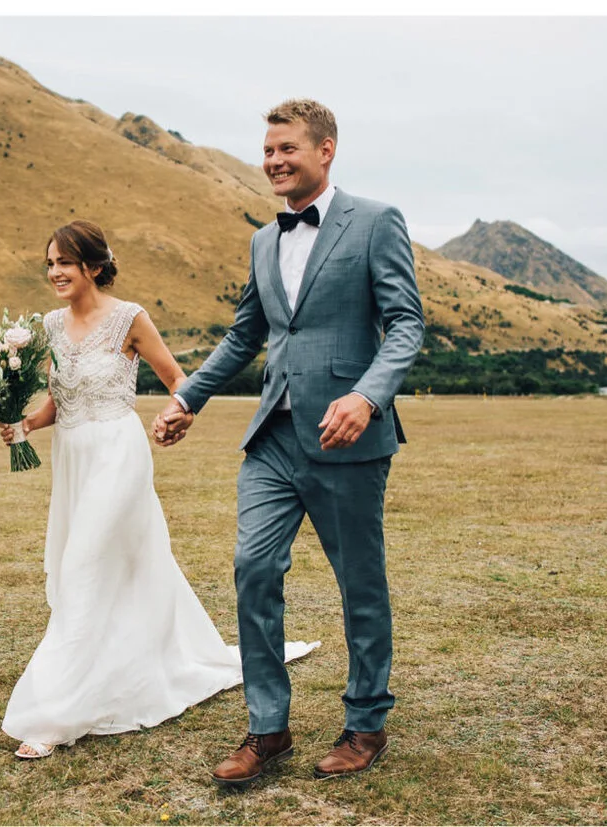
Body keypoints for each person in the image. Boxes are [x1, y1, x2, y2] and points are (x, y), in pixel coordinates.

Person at [153, 98, 422, 786]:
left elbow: (405, 324)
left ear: (325, 149)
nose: (273, 161)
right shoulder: (262, 239)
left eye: (287, 149)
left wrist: (367, 395)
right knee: (252, 566)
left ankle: (366, 722)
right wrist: (189, 396)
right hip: (273, 434)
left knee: (359, 583)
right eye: (267, 150)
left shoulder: (376, 221)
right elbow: (247, 333)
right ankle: (267, 727)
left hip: (347, 437)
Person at [0, 221, 319, 760]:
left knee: (81, 567)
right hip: (72, 458)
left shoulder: (130, 318)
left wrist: (177, 414)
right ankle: (121, 664)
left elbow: (178, 379)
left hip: (118, 454)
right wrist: (23, 427)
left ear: (93, 267)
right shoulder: (49, 326)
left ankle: (51, 715)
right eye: (49, 263)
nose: (54, 272)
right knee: (111, 568)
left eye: (64, 263)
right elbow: (59, 400)